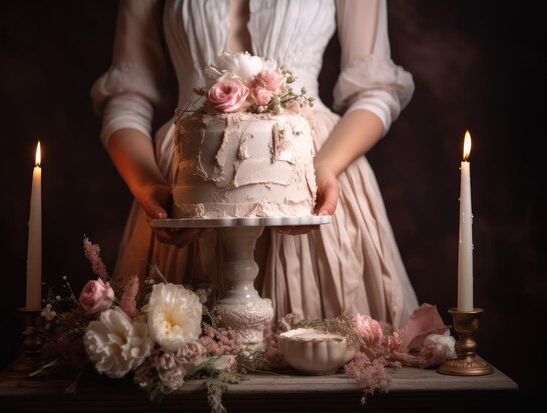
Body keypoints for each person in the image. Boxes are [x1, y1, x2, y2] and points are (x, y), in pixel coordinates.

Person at [91, 0, 419, 330]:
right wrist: (148, 185)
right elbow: (125, 101)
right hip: (187, 175)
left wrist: (322, 168)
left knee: (328, 358)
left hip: (314, 159)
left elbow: (376, 92)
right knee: (187, 364)